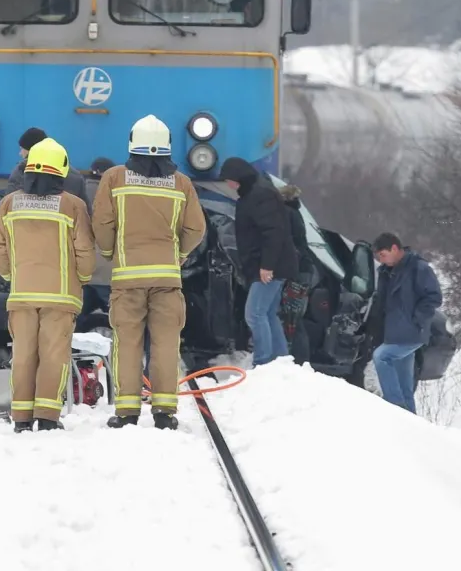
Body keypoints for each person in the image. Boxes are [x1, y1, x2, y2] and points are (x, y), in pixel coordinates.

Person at [92, 115, 206, 430]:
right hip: (167, 280)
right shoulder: (182, 183)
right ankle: (164, 412)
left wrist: (110, 252)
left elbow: (102, 222)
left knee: (127, 343)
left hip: (128, 279)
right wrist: (178, 255)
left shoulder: (114, 178)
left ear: (132, 144)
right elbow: (196, 229)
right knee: (166, 344)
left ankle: (127, 411)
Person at [0, 137, 95, 432]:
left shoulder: (9, 203)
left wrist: (12, 275)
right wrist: (82, 278)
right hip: (60, 297)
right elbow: (85, 251)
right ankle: (47, 417)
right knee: (53, 356)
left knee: (22, 355)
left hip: (22, 295)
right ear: (61, 171)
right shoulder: (73, 206)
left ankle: (21, 418)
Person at [221, 157, 297, 367]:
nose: (228, 184)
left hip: (269, 266)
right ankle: (281, 361)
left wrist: (267, 266)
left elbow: (273, 232)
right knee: (268, 313)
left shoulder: (260, 195)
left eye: (228, 180)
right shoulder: (254, 194)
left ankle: (263, 362)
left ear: (238, 177)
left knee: (254, 314)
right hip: (269, 264)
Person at [371, 232, 442, 414]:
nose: (381, 260)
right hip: (393, 333)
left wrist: (416, 319)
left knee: (381, 357)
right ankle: (410, 419)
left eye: (383, 255)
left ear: (394, 248)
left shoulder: (418, 268)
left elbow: (434, 297)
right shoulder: (386, 272)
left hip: (413, 332)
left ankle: (394, 406)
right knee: (405, 386)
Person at [277, 184, 312, 366]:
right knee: (296, 319)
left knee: (292, 320)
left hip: (296, 272)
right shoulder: (296, 213)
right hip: (304, 270)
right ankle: (301, 360)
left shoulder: (286, 214)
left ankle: (298, 361)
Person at [6, 127, 89, 203]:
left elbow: (9, 204)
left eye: (21, 149)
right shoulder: (75, 176)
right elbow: (85, 211)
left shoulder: (20, 171)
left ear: (31, 150)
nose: (20, 153)